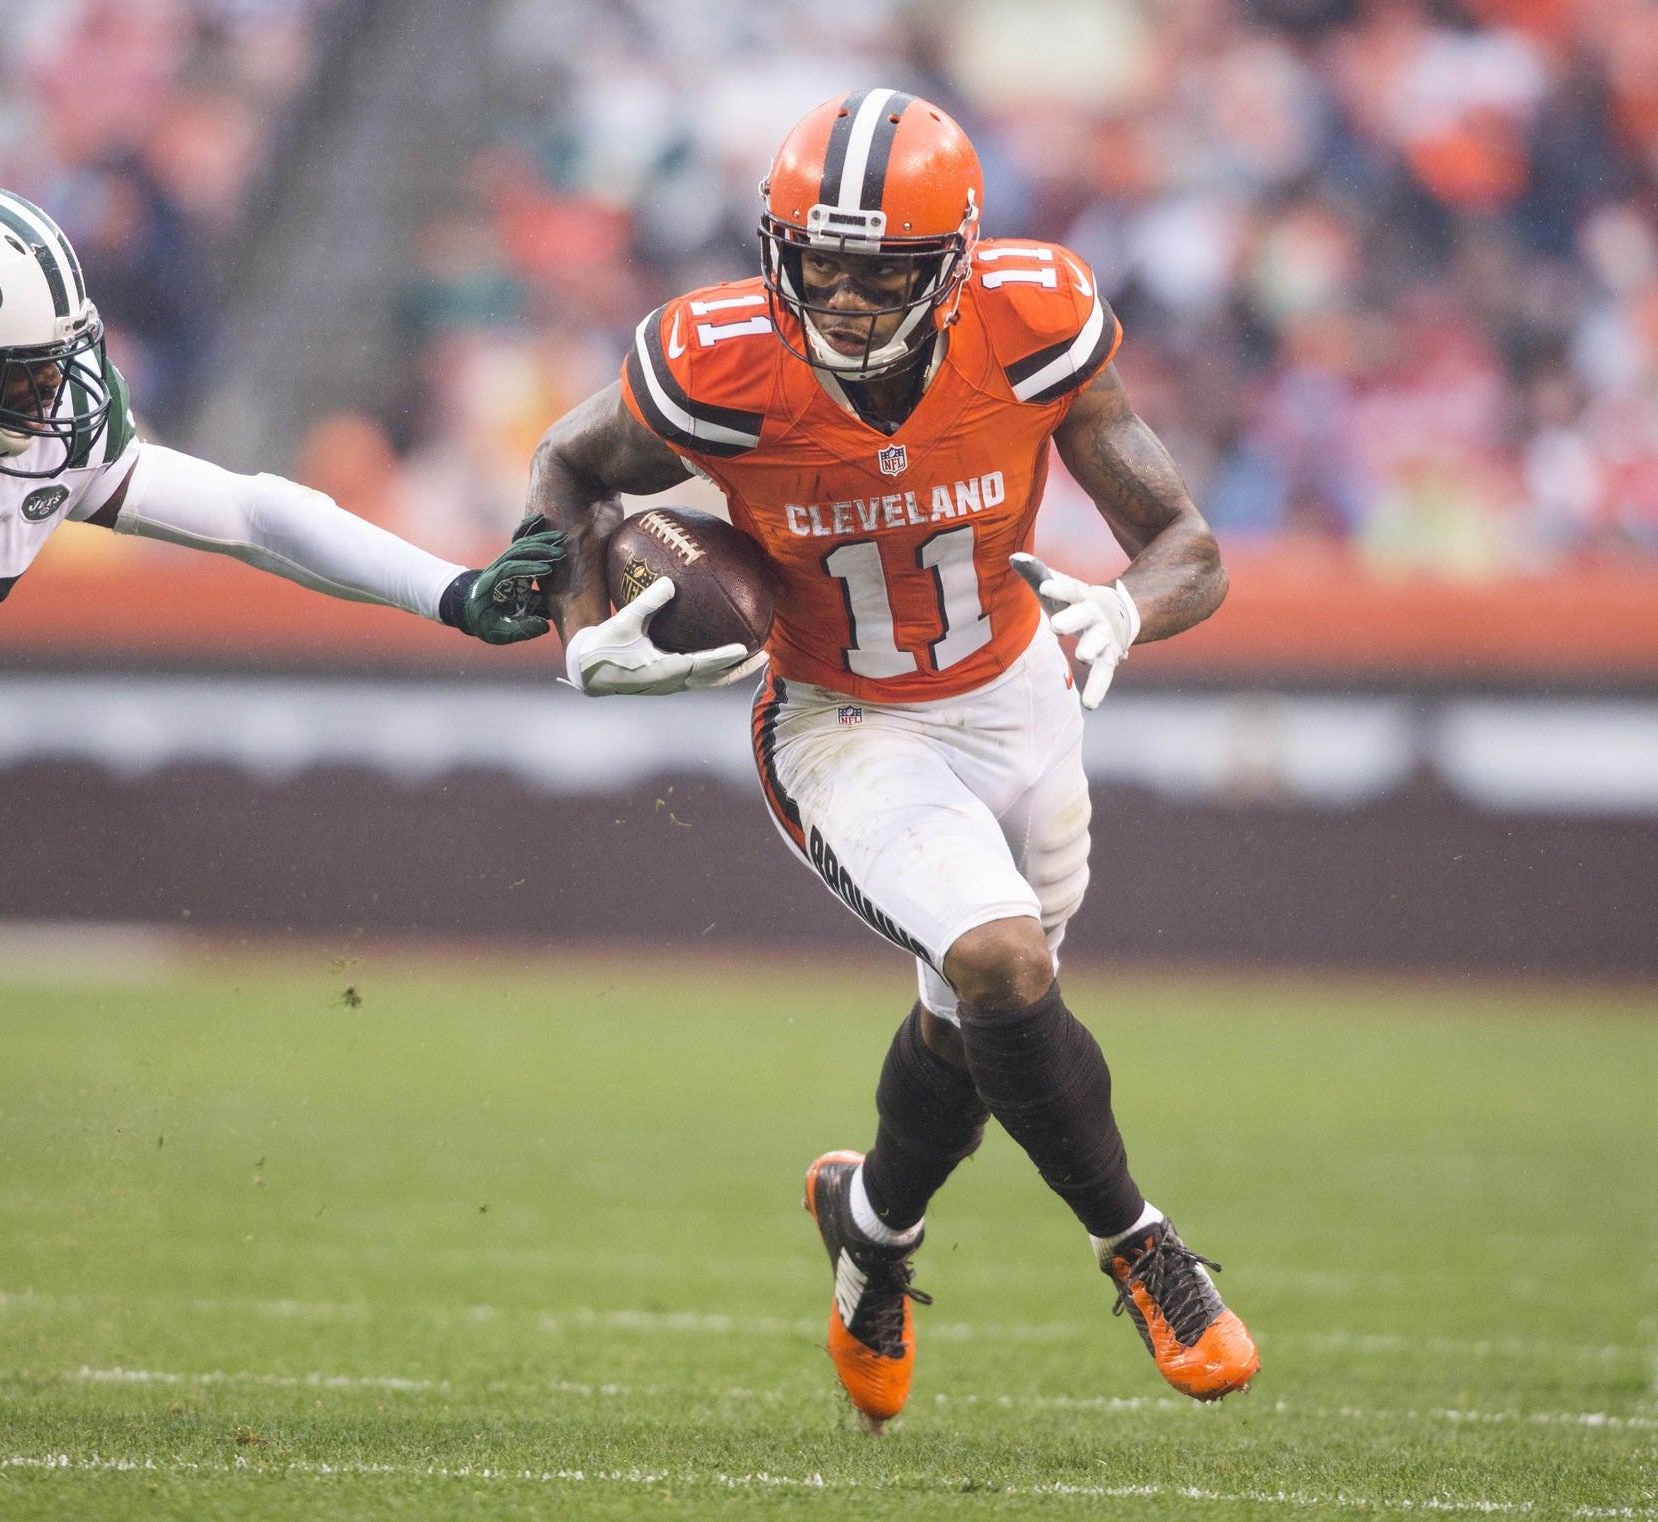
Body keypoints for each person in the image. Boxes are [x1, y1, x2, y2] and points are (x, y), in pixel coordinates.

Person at [0, 184, 561, 1416]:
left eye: (60, 356)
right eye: (18, 371)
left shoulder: (40, 429)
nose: (53, 393)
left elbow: (238, 509)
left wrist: (448, 590)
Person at [523, 90, 1258, 1428]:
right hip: (842, 717)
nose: (846, 297)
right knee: (1001, 963)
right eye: (820, 261)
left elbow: (1190, 546)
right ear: (775, 247)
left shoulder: (1034, 324)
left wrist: (1124, 607)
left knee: (973, 1024)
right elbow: (570, 465)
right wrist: (582, 631)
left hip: (1021, 694)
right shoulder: (721, 361)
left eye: (882, 268)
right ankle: (1144, 1247)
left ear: (958, 263)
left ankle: (868, 1229)